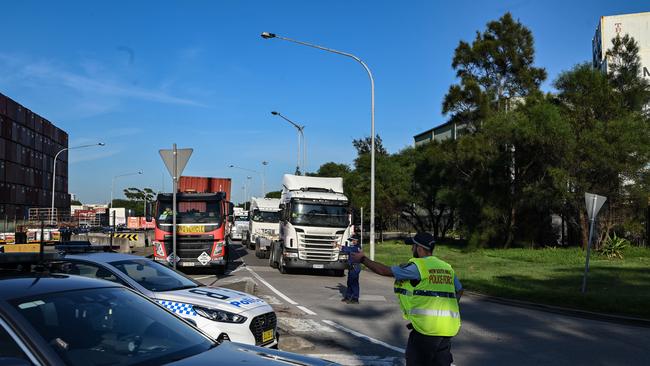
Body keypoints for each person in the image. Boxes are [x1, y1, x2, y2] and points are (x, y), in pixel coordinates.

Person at [351, 232, 462, 366]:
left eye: (413, 246)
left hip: (426, 330)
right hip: (448, 328)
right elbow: (459, 290)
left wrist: (363, 259)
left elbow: (385, 271)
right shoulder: (446, 268)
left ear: (419, 248)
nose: (411, 249)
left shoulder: (418, 267)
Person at [340, 235, 361, 304]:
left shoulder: (357, 248)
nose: (351, 242)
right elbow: (347, 251)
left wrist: (339, 246)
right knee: (349, 282)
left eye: (352, 240)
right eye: (351, 240)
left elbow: (348, 249)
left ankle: (355, 298)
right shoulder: (353, 247)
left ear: (357, 241)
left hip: (355, 267)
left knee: (354, 283)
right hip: (351, 267)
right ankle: (348, 296)